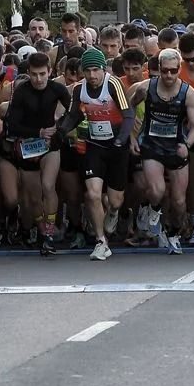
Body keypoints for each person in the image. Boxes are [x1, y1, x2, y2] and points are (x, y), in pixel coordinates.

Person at [58, 47, 134, 261]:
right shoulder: (78, 90)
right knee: (92, 193)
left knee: (115, 200)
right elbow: (73, 115)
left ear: (103, 69)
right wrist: (62, 131)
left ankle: (113, 213)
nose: (92, 76)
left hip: (117, 146)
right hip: (94, 145)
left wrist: (121, 139)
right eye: (87, 71)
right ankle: (101, 242)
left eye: (95, 70)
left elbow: (128, 115)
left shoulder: (113, 84)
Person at [130, 48, 194, 255]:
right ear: (159, 70)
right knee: (157, 190)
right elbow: (129, 109)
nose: (169, 76)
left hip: (176, 146)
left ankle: (174, 232)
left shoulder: (188, 92)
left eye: (173, 71)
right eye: (165, 71)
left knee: (179, 201)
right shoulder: (146, 87)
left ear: (180, 69)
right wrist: (132, 137)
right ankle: (151, 208)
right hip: (151, 144)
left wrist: (187, 145)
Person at [4, 52, 69, 256]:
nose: (38, 79)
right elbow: (12, 125)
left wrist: (60, 130)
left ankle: (49, 229)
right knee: (33, 196)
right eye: (34, 74)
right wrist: (37, 133)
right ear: (28, 73)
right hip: (28, 145)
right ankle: (42, 230)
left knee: (49, 186)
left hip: (50, 145)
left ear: (50, 72)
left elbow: (74, 112)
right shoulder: (22, 92)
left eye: (42, 74)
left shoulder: (58, 89)